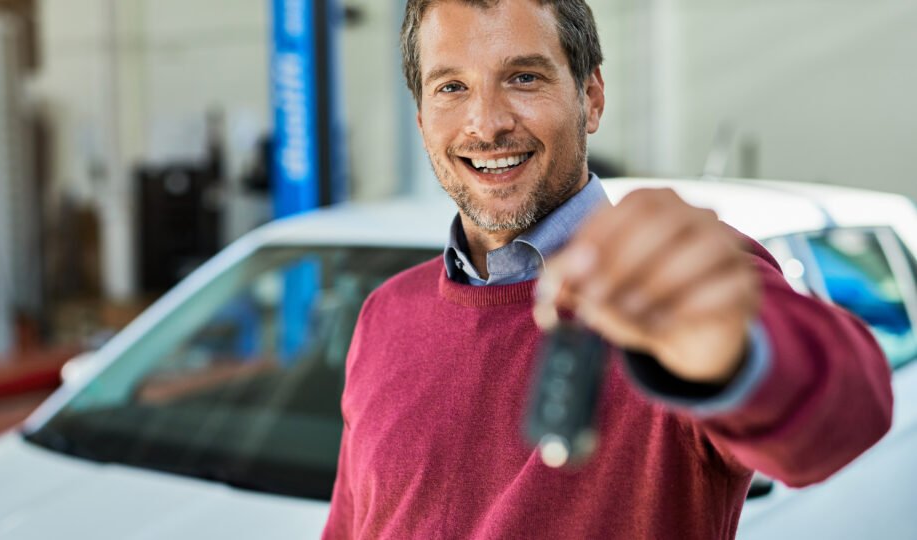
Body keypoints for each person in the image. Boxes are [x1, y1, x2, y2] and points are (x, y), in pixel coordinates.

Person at [322, 0, 893, 538]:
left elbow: (844, 418)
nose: (487, 123)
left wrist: (734, 354)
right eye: (452, 87)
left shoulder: (674, 286)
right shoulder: (385, 311)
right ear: (422, 120)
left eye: (524, 77)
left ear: (591, 96)